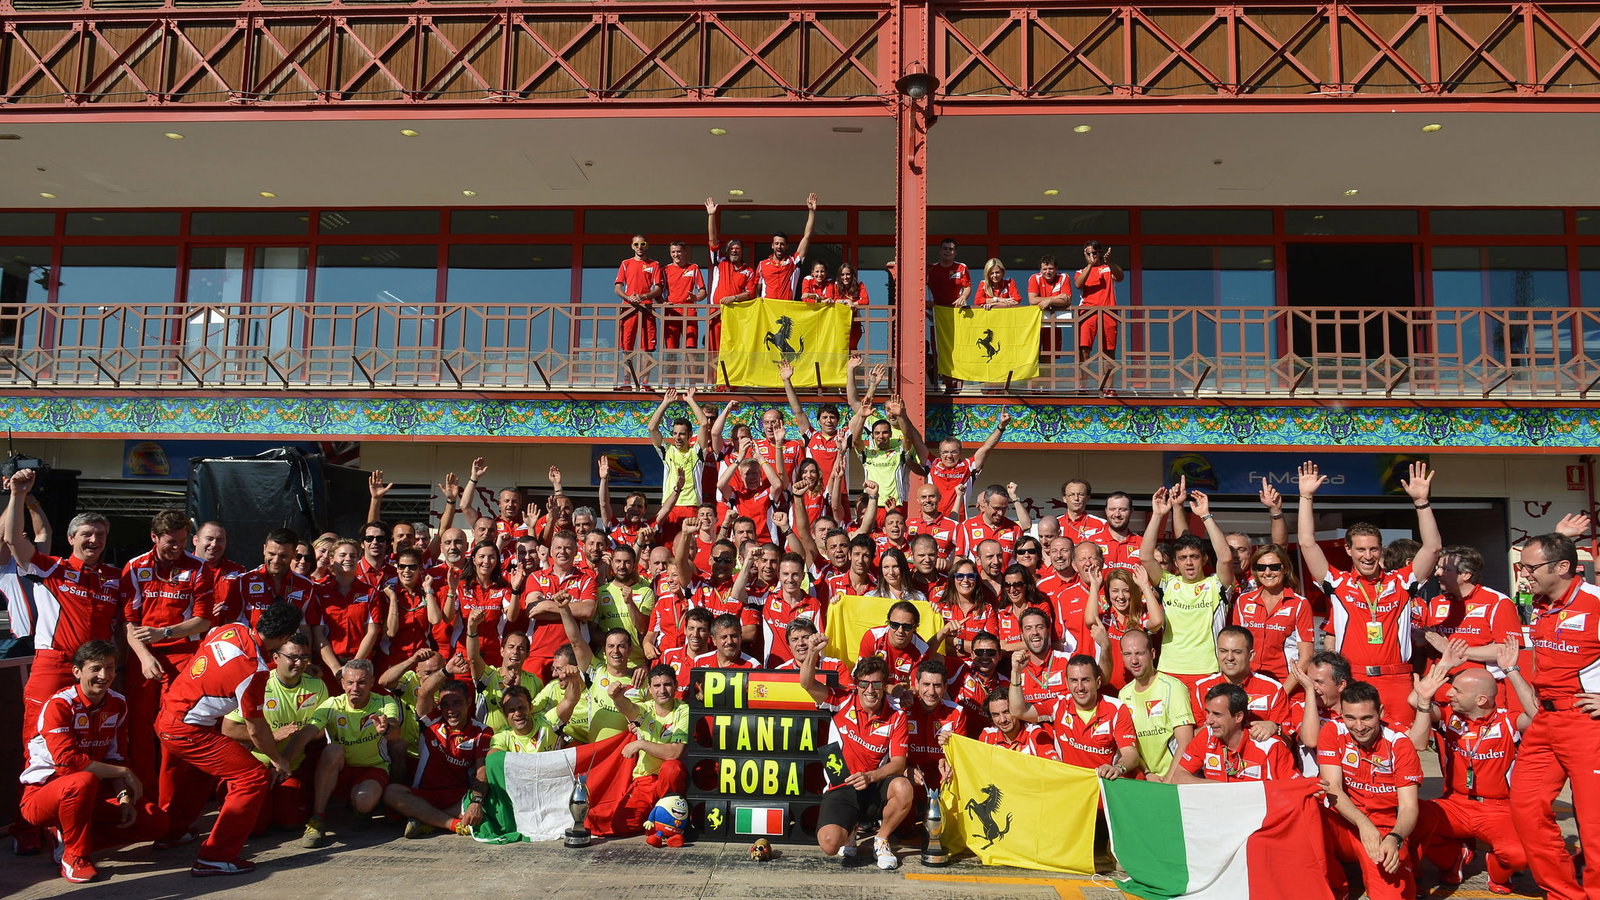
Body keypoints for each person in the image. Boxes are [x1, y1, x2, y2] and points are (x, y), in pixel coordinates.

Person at [156, 601, 303, 877]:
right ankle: (215, 855)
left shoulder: (230, 629)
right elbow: (256, 729)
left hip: (172, 715)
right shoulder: (254, 672)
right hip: (187, 728)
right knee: (253, 777)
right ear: (285, 638)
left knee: (205, 772)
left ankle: (172, 833)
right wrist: (278, 758)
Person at [4, 469, 121, 813]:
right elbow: (14, 541)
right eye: (86, 534)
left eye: (100, 534)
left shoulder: (116, 578)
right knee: (38, 743)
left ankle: (84, 812)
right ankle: (30, 825)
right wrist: (18, 496)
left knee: (93, 743)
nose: (94, 540)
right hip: (54, 666)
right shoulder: (50, 569)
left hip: (98, 672)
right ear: (71, 538)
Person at [1297, 459, 1440, 727]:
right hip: (1354, 677)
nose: (1368, 556)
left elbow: (1432, 548)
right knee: (1354, 750)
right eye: (1361, 550)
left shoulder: (1401, 581)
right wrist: (1305, 497)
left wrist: (1421, 503)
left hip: (1396, 678)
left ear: (1381, 550)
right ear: (1348, 550)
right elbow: (1306, 543)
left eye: (1374, 549)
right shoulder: (1338, 583)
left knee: (1403, 748)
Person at [20, 640, 162, 883]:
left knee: (155, 823)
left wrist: (124, 797)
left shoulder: (118, 702)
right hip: (42, 797)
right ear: (77, 671)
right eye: (96, 668)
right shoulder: (60, 704)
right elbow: (68, 762)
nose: (104, 675)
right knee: (81, 779)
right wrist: (124, 772)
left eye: (110, 667)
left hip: (88, 796)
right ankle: (75, 857)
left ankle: (68, 837)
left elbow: (116, 756)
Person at [1509, 531, 1600, 900]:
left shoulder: (1594, 603)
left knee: (1594, 824)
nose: (1523, 574)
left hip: (1586, 722)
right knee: (1526, 807)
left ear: (1562, 567)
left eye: (1530, 568)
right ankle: (1563, 892)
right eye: (1522, 566)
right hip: (1544, 721)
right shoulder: (1539, 603)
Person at [1407, 638, 1535, 894]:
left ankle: (1497, 874)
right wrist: (1443, 664)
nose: (1450, 694)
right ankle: (1454, 858)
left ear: (1481, 700)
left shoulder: (1507, 722)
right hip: (1454, 802)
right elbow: (1415, 701)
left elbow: (1537, 716)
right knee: (1409, 822)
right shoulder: (1448, 716)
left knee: (1519, 856)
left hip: (1498, 809)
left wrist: (1512, 671)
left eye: (1457, 691)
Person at [122, 508, 217, 793]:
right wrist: (144, 656)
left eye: (182, 541)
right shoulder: (135, 566)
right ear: (154, 536)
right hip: (143, 656)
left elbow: (203, 620)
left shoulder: (199, 569)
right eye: (170, 542)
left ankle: (169, 802)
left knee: (175, 729)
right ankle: (143, 796)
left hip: (183, 657)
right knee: (139, 730)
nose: (177, 548)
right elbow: (129, 622)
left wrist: (164, 633)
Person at [799, 647, 912, 871]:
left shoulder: (896, 716)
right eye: (864, 684)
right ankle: (850, 831)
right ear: (856, 684)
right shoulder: (841, 701)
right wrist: (812, 651)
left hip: (874, 786)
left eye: (877, 684)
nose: (870, 690)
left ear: (884, 687)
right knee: (829, 844)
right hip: (842, 787)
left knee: (903, 787)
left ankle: (881, 839)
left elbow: (899, 763)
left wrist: (871, 776)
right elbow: (806, 683)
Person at [1317, 681, 1423, 900]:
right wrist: (1363, 823)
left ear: (1381, 712)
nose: (1359, 726)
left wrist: (1395, 837)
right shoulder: (1331, 730)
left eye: (1367, 718)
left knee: (1395, 897)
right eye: (1350, 718)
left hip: (1384, 827)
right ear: (1341, 714)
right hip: (1345, 821)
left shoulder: (1400, 744)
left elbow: (1409, 807)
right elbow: (1333, 788)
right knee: (1306, 813)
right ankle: (1336, 886)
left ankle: (1407, 856)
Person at [220, 631, 327, 835]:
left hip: (289, 766)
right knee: (255, 828)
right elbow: (229, 728)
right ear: (275, 657)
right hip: (255, 766)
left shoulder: (317, 686)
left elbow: (319, 732)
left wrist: (283, 761)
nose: (299, 663)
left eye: (304, 657)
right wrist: (271, 737)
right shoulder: (256, 683)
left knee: (291, 821)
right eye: (292, 657)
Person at [1140, 486, 1235, 689]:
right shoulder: (1168, 583)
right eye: (1183, 558)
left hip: (1207, 671)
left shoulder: (1216, 584)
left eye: (1194, 557)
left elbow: (1225, 557)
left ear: (1204, 559)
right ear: (1176, 562)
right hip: (1169, 670)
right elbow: (1146, 557)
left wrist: (1205, 516)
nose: (1189, 563)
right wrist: (1157, 515)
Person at [301, 659, 402, 847]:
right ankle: (317, 819)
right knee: (332, 750)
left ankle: (360, 810)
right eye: (350, 682)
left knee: (364, 801)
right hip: (340, 769)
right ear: (342, 683)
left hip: (372, 768)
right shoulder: (332, 704)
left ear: (372, 682)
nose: (355, 688)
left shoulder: (384, 702)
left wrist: (386, 728)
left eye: (362, 682)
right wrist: (281, 760)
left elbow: (396, 733)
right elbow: (310, 731)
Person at [381, 671, 490, 839]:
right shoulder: (431, 721)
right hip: (424, 796)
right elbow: (424, 692)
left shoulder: (482, 732)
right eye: (445, 704)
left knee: (487, 805)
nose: (450, 710)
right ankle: (453, 825)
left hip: (458, 797)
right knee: (391, 792)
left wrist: (476, 801)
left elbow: (481, 771)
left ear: (469, 702)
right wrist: (447, 669)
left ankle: (426, 820)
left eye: (456, 703)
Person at [1413, 545, 1522, 708]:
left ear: (1466, 574)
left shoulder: (1498, 601)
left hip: (1479, 695)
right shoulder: (1437, 602)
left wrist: (1451, 649)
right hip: (1441, 690)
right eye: (1437, 568)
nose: (1437, 573)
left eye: (1445, 569)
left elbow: (1505, 650)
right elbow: (1431, 644)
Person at [1008, 653, 1138, 779]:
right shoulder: (1058, 705)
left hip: (1104, 786)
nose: (1080, 687)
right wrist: (1016, 672)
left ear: (1098, 682)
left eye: (1085, 680)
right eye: (1074, 680)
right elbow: (1018, 711)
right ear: (1067, 683)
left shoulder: (1116, 709)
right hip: (1072, 788)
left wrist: (1118, 768)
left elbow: (1130, 754)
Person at [602, 664, 688, 836]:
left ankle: (669, 822)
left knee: (672, 767)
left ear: (676, 686)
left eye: (667, 684)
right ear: (649, 689)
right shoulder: (646, 709)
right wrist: (617, 697)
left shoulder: (683, 710)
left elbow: (674, 752)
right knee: (620, 825)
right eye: (657, 686)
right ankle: (661, 821)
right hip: (645, 780)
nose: (662, 690)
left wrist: (641, 744)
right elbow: (629, 708)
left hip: (670, 781)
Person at [1168, 683, 1297, 784]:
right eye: (1208, 712)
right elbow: (1178, 777)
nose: (1208, 721)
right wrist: (1221, 789)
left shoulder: (1270, 746)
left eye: (1217, 714)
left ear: (1238, 717)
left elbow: (1295, 789)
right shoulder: (1207, 735)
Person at [1187, 626, 1291, 741]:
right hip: (1213, 756)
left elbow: (1287, 743)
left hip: (1258, 757)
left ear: (1251, 655)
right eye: (1223, 651)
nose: (1229, 657)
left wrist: (1275, 728)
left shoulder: (1273, 689)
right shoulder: (1200, 688)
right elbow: (1192, 737)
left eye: (1237, 652)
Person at [1116, 628, 1195, 779]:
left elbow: (1186, 742)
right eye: (1128, 654)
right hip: (1145, 777)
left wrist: (1168, 781)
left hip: (1172, 778)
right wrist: (1147, 773)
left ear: (1152, 653)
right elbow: (1128, 744)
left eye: (1139, 653)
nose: (1134, 660)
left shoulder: (1173, 687)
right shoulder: (1123, 694)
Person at [1230, 543, 1312, 683]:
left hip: (1284, 682)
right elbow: (1236, 648)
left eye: (1274, 567)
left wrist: (1282, 694)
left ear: (1285, 568)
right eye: (1261, 567)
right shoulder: (1243, 601)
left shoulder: (1299, 604)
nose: (1267, 573)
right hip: (1249, 681)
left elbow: (1306, 657)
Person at [215, 528, 316, 631]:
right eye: (271, 554)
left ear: (294, 554)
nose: (276, 560)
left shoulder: (306, 586)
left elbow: (305, 629)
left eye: (283, 556)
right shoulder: (242, 582)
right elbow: (229, 625)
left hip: (288, 644)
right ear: (264, 549)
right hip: (252, 645)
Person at [307, 538, 380, 676]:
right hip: (329, 667)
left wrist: (354, 666)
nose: (348, 559)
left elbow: (372, 631)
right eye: (342, 555)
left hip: (360, 665)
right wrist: (336, 669)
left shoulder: (370, 592)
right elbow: (318, 634)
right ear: (331, 559)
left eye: (353, 556)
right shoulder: (320, 593)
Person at [647, 388, 711, 541]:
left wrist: (690, 401)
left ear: (690, 435)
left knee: (690, 549)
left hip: (692, 507)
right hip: (669, 507)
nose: (677, 437)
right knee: (668, 547)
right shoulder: (667, 451)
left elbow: (703, 424)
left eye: (682, 433)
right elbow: (651, 428)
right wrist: (665, 402)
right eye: (675, 433)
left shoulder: (696, 453)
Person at [921, 414, 1009, 522]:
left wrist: (1001, 427)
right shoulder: (933, 464)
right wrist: (902, 417)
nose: (949, 456)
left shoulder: (968, 466)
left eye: (953, 452)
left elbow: (987, 447)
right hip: (933, 520)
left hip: (959, 522)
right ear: (940, 453)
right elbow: (917, 443)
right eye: (945, 452)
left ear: (960, 453)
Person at [704, 198, 757, 356]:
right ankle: (715, 381)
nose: (734, 251)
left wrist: (733, 298)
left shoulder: (749, 271)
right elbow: (712, 240)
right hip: (716, 313)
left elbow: (750, 293)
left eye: (738, 248)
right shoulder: (720, 262)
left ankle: (731, 381)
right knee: (715, 351)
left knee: (734, 351)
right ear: (727, 252)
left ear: (742, 252)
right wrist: (711, 215)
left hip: (737, 315)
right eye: (731, 248)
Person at [752, 193, 818, 301]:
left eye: (782, 244)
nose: (779, 246)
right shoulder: (762, 265)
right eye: (776, 244)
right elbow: (757, 290)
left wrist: (812, 211)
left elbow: (807, 237)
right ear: (772, 246)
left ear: (787, 246)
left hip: (786, 310)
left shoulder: (793, 262)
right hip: (768, 310)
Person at [614, 234, 664, 379]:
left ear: (647, 245)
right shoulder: (626, 263)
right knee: (626, 345)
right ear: (632, 246)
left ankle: (645, 381)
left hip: (647, 309)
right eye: (636, 244)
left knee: (648, 346)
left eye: (642, 244)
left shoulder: (654, 264)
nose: (639, 247)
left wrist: (643, 297)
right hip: (628, 309)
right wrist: (629, 298)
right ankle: (626, 381)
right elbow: (617, 289)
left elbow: (658, 289)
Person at [1074, 240, 1124, 361]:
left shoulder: (1107, 268)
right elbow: (1078, 284)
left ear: (1100, 253)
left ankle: (1108, 380)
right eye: (1089, 253)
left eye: (1095, 252)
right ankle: (1083, 380)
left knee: (1109, 350)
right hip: (1087, 313)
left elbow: (1120, 277)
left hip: (1108, 312)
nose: (1093, 255)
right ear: (1084, 254)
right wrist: (1090, 265)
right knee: (1084, 348)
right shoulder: (1081, 271)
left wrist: (1110, 262)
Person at [978, 687, 1056, 757]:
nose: (1003, 720)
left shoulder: (1036, 734)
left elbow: (1052, 768)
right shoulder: (987, 736)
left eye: (1006, 712)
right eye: (996, 715)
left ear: (1017, 711)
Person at [661, 239, 707, 352]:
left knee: (691, 348)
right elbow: (657, 291)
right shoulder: (665, 270)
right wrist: (662, 303)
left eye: (678, 251)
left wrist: (696, 298)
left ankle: (692, 370)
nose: (676, 254)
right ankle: (672, 370)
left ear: (685, 252)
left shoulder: (693, 268)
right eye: (673, 252)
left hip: (689, 311)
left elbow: (703, 292)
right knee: (671, 350)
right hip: (671, 311)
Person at [1057, 479, 1109, 547]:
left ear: (1088, 498)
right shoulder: (1055, 523)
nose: (1076, 498)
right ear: (1064, 498)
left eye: (1081, 494)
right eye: (1071, 494)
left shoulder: (1101, 524)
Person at [831, 262, 869, 350]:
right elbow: (834, 300)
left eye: (848, 274)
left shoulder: (859, 285)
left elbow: (865, 300)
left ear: (852, 275)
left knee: (852, 349)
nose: (845, 277)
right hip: (840, 323)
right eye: (842, 274)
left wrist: (852, 304)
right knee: (840, 349)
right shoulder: (836, 286)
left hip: (854, 324)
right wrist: (847, 301)